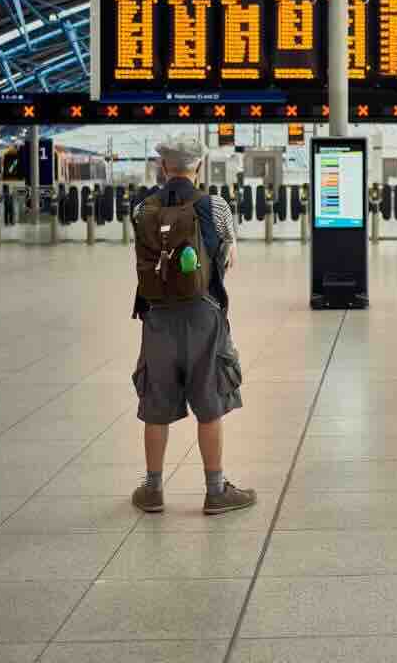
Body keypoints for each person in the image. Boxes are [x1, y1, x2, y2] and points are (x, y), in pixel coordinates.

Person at [129, 134, 255, 515]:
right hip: (204, 314)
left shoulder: (142, 208)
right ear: (198, 166)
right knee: (210, 401)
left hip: (156, 315)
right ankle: (215, 491)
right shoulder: (214, 206)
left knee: (155, 402)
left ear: (163, 167)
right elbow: (228, 258)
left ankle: (152, 490)